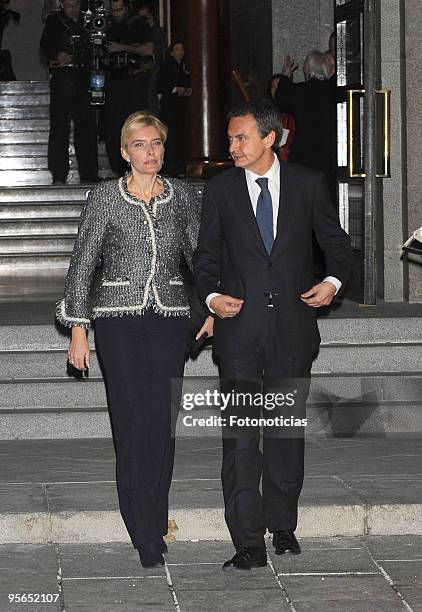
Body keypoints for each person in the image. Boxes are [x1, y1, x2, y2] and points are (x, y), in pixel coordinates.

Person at [194, 99, 352, 571]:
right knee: (241, 438)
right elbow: (204, 257)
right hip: (240, 333)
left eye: (241, 138)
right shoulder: (220, 190)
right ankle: (247, 541)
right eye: (230, 139)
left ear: (271, 138)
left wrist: (333, 282)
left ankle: (282, 526)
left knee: (285, 433)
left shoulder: (307, 183)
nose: (232, 147)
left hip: (291, 330)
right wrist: (211, 298)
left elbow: (337, 244)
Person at [56, 111, 213, 568]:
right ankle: (141, 529)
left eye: (158, 143)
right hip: (117, 320)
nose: (152, 152)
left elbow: (200, 257)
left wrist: (213, 306)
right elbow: (82, 264)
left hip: (168, 317)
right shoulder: (105, 197)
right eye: (141, 145)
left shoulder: (183, 196)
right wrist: (79, 332)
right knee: (130, 422)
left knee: (160, 423)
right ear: (125, 153)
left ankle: (155, 519)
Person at [40, 0, 99, 185]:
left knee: (87, 128)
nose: (72, 9)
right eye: (68, 5)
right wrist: (57, 54)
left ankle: (89, 173)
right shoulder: (54, 21)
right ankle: (58, 174)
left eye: (75, 5)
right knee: (59, 128)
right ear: (62, 5)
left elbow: (97, 47)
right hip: (62, 78)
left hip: (83, 78)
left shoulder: (88, 21)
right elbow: (45, 46)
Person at [274, 51, 337, 200]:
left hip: (302, 154)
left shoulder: (299, 92)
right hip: (327, 154)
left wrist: (285, 74)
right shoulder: (332, 91)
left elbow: (280, 101)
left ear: (307, 70)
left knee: (301, 199)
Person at [104, 0, 154, 177]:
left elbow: (149, 50)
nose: (116, 13)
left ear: (126, 8)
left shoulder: (137, 23)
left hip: (134, 82)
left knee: (136, 126)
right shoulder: (106, 24)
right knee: (113, 128)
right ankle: (118, 170)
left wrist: (122, 47)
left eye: (119, 10)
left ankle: (139, 166)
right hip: (113, 82)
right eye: (113, 10)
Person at [157, 41, 192, 177]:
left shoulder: (184, 66)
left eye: (182, 49)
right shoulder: (167, 66)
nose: (180, 52)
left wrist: (187, 90)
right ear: (171, 52)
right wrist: (175, 89)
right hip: (169, 106)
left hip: (179, 106)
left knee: (179, 136)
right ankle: (170, 168)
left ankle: (179, 168)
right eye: (177, 49)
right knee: (170, 136)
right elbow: (160, 86)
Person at [133, 0, 165, 113]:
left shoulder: (157, 32)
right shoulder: (138, 32)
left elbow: (156, 58)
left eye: (145, 18)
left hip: (151, 77)